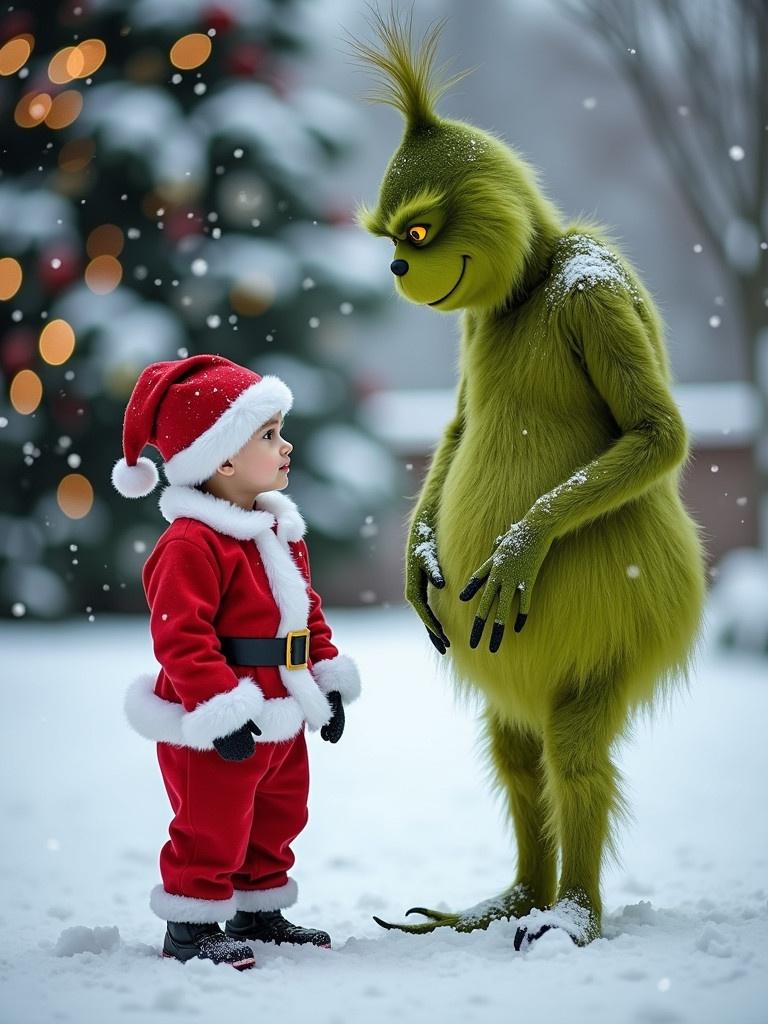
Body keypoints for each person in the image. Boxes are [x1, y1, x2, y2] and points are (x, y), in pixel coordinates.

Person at [112, 354, 361, 970]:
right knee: (212, 821)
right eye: (268, 435)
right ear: (220, 458)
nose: (287, 446)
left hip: (281, 706)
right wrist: (217, 706)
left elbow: (307, 615)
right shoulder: (191, 544)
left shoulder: (278, 532)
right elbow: (181, 637)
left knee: (279, 811)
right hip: (219, 718)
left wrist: (325, 678)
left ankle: (259, 907)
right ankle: (191, 925)